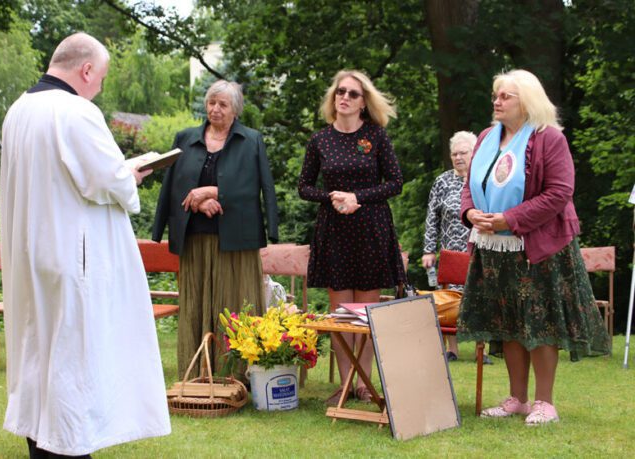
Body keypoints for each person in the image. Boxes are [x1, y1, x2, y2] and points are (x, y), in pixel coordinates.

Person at [0, 33, 171, 457]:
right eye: (102, 77)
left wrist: (116, 173)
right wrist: (130, 174)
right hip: (72, 256)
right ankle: (70, 447)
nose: (100, 87)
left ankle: (41, 442)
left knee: (40, 351)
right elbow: (105, 180)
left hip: (32, 250)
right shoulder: (76, 111)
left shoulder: (19, 110)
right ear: (86, 69)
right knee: (73, 357)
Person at [457, 69, 610, 425]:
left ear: (527, 101)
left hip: (539, 246)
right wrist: (470, 212)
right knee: (509, 320)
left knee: (540, 323)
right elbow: (470, 184)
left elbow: (560, 193)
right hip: (494, 246)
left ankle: (545, 402)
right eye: (495, 95)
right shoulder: (485, 137)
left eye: (505, 96)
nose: (497, 101)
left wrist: (509, 219)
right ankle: (517, 398)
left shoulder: (548, 138)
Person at [152, 80, 278, 379]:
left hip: (236, 238)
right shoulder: (185, 138)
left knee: (234, 301)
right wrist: (197, 201)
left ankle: (234, 373)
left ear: (235, 109)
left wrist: (212, 191)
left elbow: (254, 187)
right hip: (195, 236)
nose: (215, 109)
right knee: (195, 303)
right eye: (211, 103)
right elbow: (175, 185)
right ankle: (196, 371)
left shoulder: (251, 140)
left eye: (223, 104)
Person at [298, 70, 407, 405]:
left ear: (363, 102)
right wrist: (332, 196)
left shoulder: (376, 136)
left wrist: (358, 198)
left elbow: (395, 182)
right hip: (335, 232)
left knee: (366, 310)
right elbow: (304, 187)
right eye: (339, 91)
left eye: (352, 93)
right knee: (342, 312)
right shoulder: (320, 140)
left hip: (370, 228)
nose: (344, 97)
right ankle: (347, 384)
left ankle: (364, 382)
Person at [422, 131, 492, 365]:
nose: (458, 157)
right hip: (451, 249)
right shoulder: (442, 181)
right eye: (454, 154)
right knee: (450, 298)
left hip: (481, 247)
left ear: (475, 153)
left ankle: (483, 349)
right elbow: (432, 216)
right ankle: (452, 349)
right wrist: (428, 250)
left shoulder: (485, 178)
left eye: (463, 152)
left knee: (483, 295)